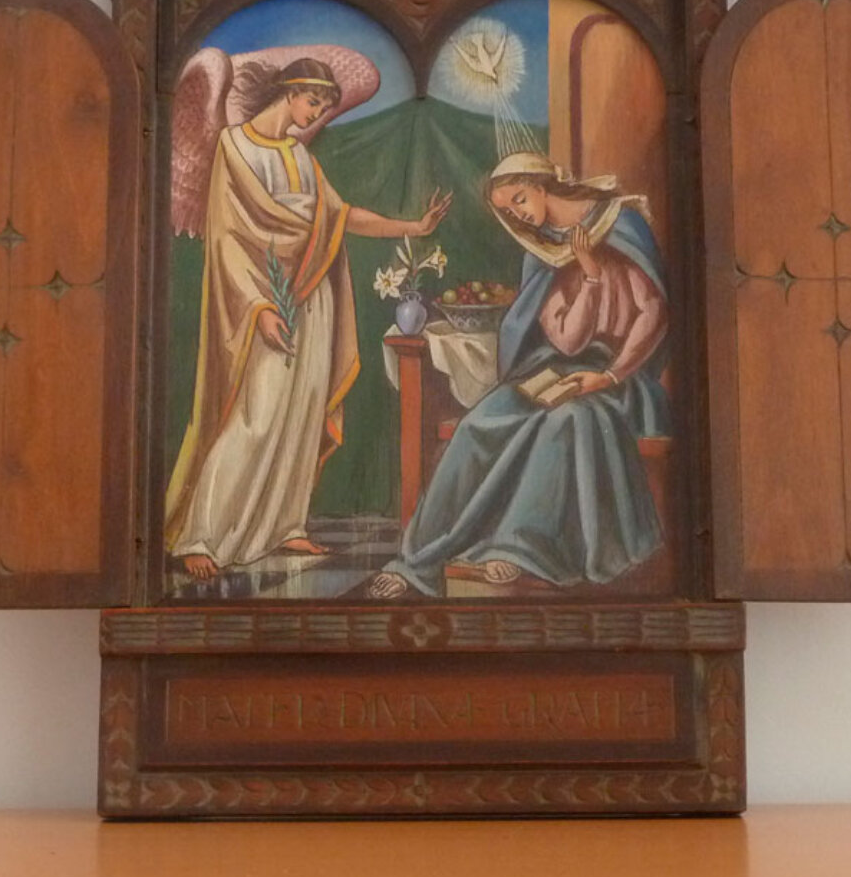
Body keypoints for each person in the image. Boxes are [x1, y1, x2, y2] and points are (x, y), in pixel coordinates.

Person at [166, 54, 450, 580]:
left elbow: (340, 217)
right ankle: (200, 534)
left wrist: (412, 227)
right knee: (252, 417)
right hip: (263, 301)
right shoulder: (233, 146)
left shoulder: (300, 155)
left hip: (314, 298)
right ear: (289, 92)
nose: (317, 114)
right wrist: (259, 308)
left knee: (299, 413)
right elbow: (229, 240)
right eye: (313, 102)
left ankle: (284, 524)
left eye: (323, 107)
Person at [369, 151, 668, 599]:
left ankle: (519, 546)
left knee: (568, 421)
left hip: (622, 379)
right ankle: (417, 559)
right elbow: (567, 342)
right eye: (508, 211)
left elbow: (653, 312)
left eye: (520, 199)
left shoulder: (621, 224)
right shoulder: (543, 251)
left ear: (542, 185)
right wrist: (589, 278)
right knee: (480, 423)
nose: (518, 215)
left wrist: (607, 377)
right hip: (554, 370)